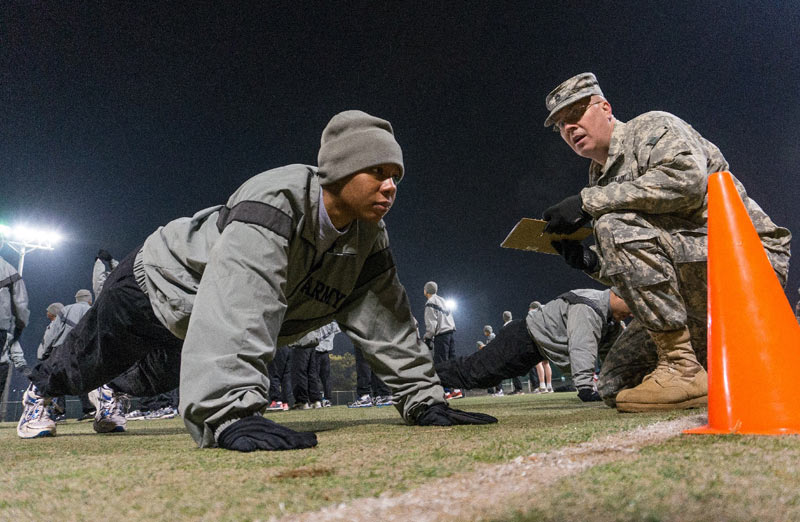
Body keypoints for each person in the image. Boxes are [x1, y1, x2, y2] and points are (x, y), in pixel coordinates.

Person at [22, 110, 496, 449]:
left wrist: (421, 398)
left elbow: (387, 320)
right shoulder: (278, 198)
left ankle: (113, 393)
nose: (391, 185)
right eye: (378, 171)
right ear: (341, 170)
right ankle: (39, 394)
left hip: (196, 321)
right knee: (88, 361)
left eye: (396, 175)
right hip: (155, 284)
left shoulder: (369, 237)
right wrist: (229, 414)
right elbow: (240, 303)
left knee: (150, 379)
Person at [541, 73, 791, 412]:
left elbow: (686, 181)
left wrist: (589, 202)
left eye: (576, 113)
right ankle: (719, 368)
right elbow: (642, 270)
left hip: (743, 262)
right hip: (693, 277)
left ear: (605, 107)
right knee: (615, 384)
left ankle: (683, 368)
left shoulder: (652, 127)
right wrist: (590, 263)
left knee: (615, 224)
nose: (569, 128)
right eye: (560, 125)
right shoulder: (600, 175)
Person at [435, 289, 630, 403]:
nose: (631, 314)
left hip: (531, 348)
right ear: (618, 295)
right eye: (632, 306)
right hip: (522, 338)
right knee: (474, 372)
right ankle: (419, 376)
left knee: (482, 377)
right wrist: (586, 388)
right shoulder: (590, 307)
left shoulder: (609, 318)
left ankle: (426, 378)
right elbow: (582, 347)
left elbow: (613, 354)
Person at [0, 255, 31, 411]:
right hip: (1, 326)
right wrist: (20, 326)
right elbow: (20, 305)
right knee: (1, 362)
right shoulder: (9, 270)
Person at [422, 281, 463, 399]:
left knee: (441, 364)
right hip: (451, 333)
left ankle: (446, 391)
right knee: (452, 362)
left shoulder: (430, 302)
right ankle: (457, 389)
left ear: (426, 291)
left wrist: (428, 337)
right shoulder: (443, 300)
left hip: (441, 335)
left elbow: (432, 323)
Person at [315, 320, 340, 407]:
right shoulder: (333, 324)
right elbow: (337, 330)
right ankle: (327, 399)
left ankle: (316, 399)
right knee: (326, 378)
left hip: (316, 351)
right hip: (326, 352)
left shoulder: (317, 323)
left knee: (315, 377)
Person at [501, 313, 525, 395]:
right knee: (515, 370)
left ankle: (518, 389)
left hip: (511, 350)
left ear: (504, 318)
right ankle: (518, 388)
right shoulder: (517, 323)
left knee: (513, 370)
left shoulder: (505, 326)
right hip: (518, 349)